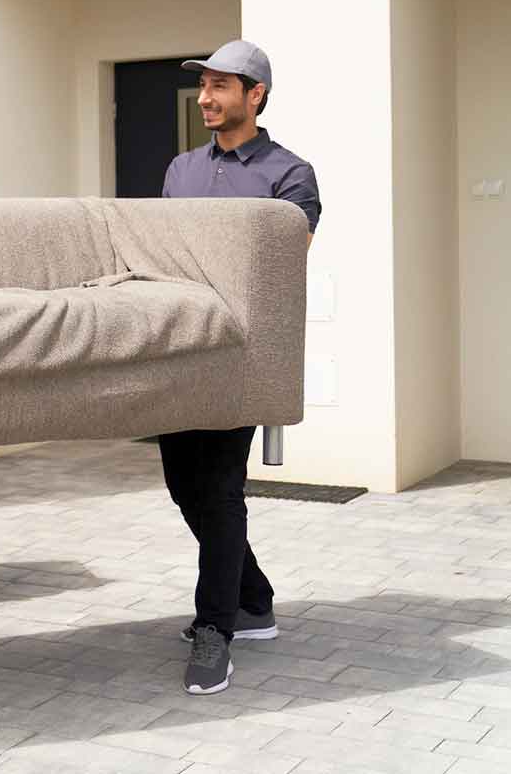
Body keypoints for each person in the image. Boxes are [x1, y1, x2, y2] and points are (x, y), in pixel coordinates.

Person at [160, 39, 320, 696]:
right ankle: (253, 600)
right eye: (203, 87)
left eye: (221, 86)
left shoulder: (290, 174)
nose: (206, 98)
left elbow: (281, 267)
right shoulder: (180, 169)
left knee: (221, 489)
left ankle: (215, 629)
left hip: (242, 355)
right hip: (179, 352)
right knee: (183, 487)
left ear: (255, 95)